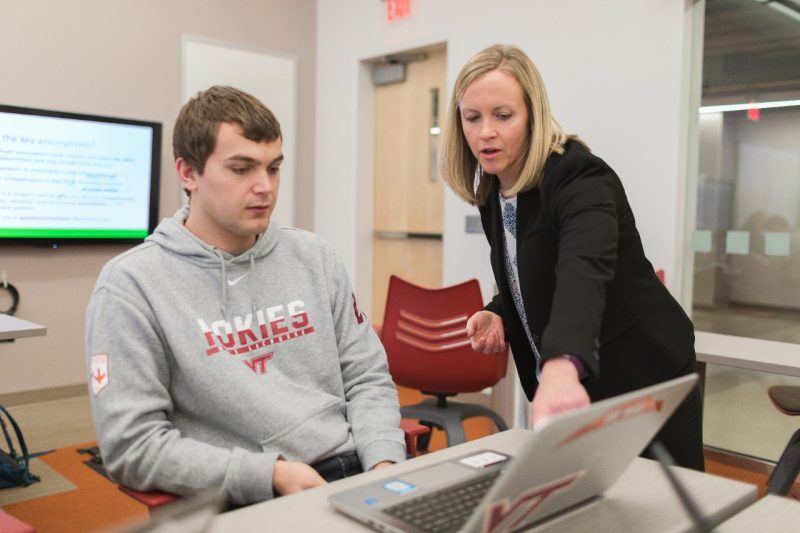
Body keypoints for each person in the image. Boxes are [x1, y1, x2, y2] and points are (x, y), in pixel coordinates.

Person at [85, 86, 405, 505]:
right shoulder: (130, 286)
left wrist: (386, 463)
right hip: (249, 495)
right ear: (187, 173)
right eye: (242, 169)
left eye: (273, 169)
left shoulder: (315, 256)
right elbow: (132, 447)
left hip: (357, 469)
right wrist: (269, 474)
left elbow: (367, 377)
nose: (265, 187)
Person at [440, 44, 704, 471]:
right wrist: (499, 312)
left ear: (532, 116)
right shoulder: (494, 187)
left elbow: (582, 268)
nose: (485, 131)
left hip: (643, 376)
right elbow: (526, 268)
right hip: (581, 382)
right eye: (473, 118)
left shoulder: (579, 176)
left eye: (503, 116)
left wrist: (561, 365)